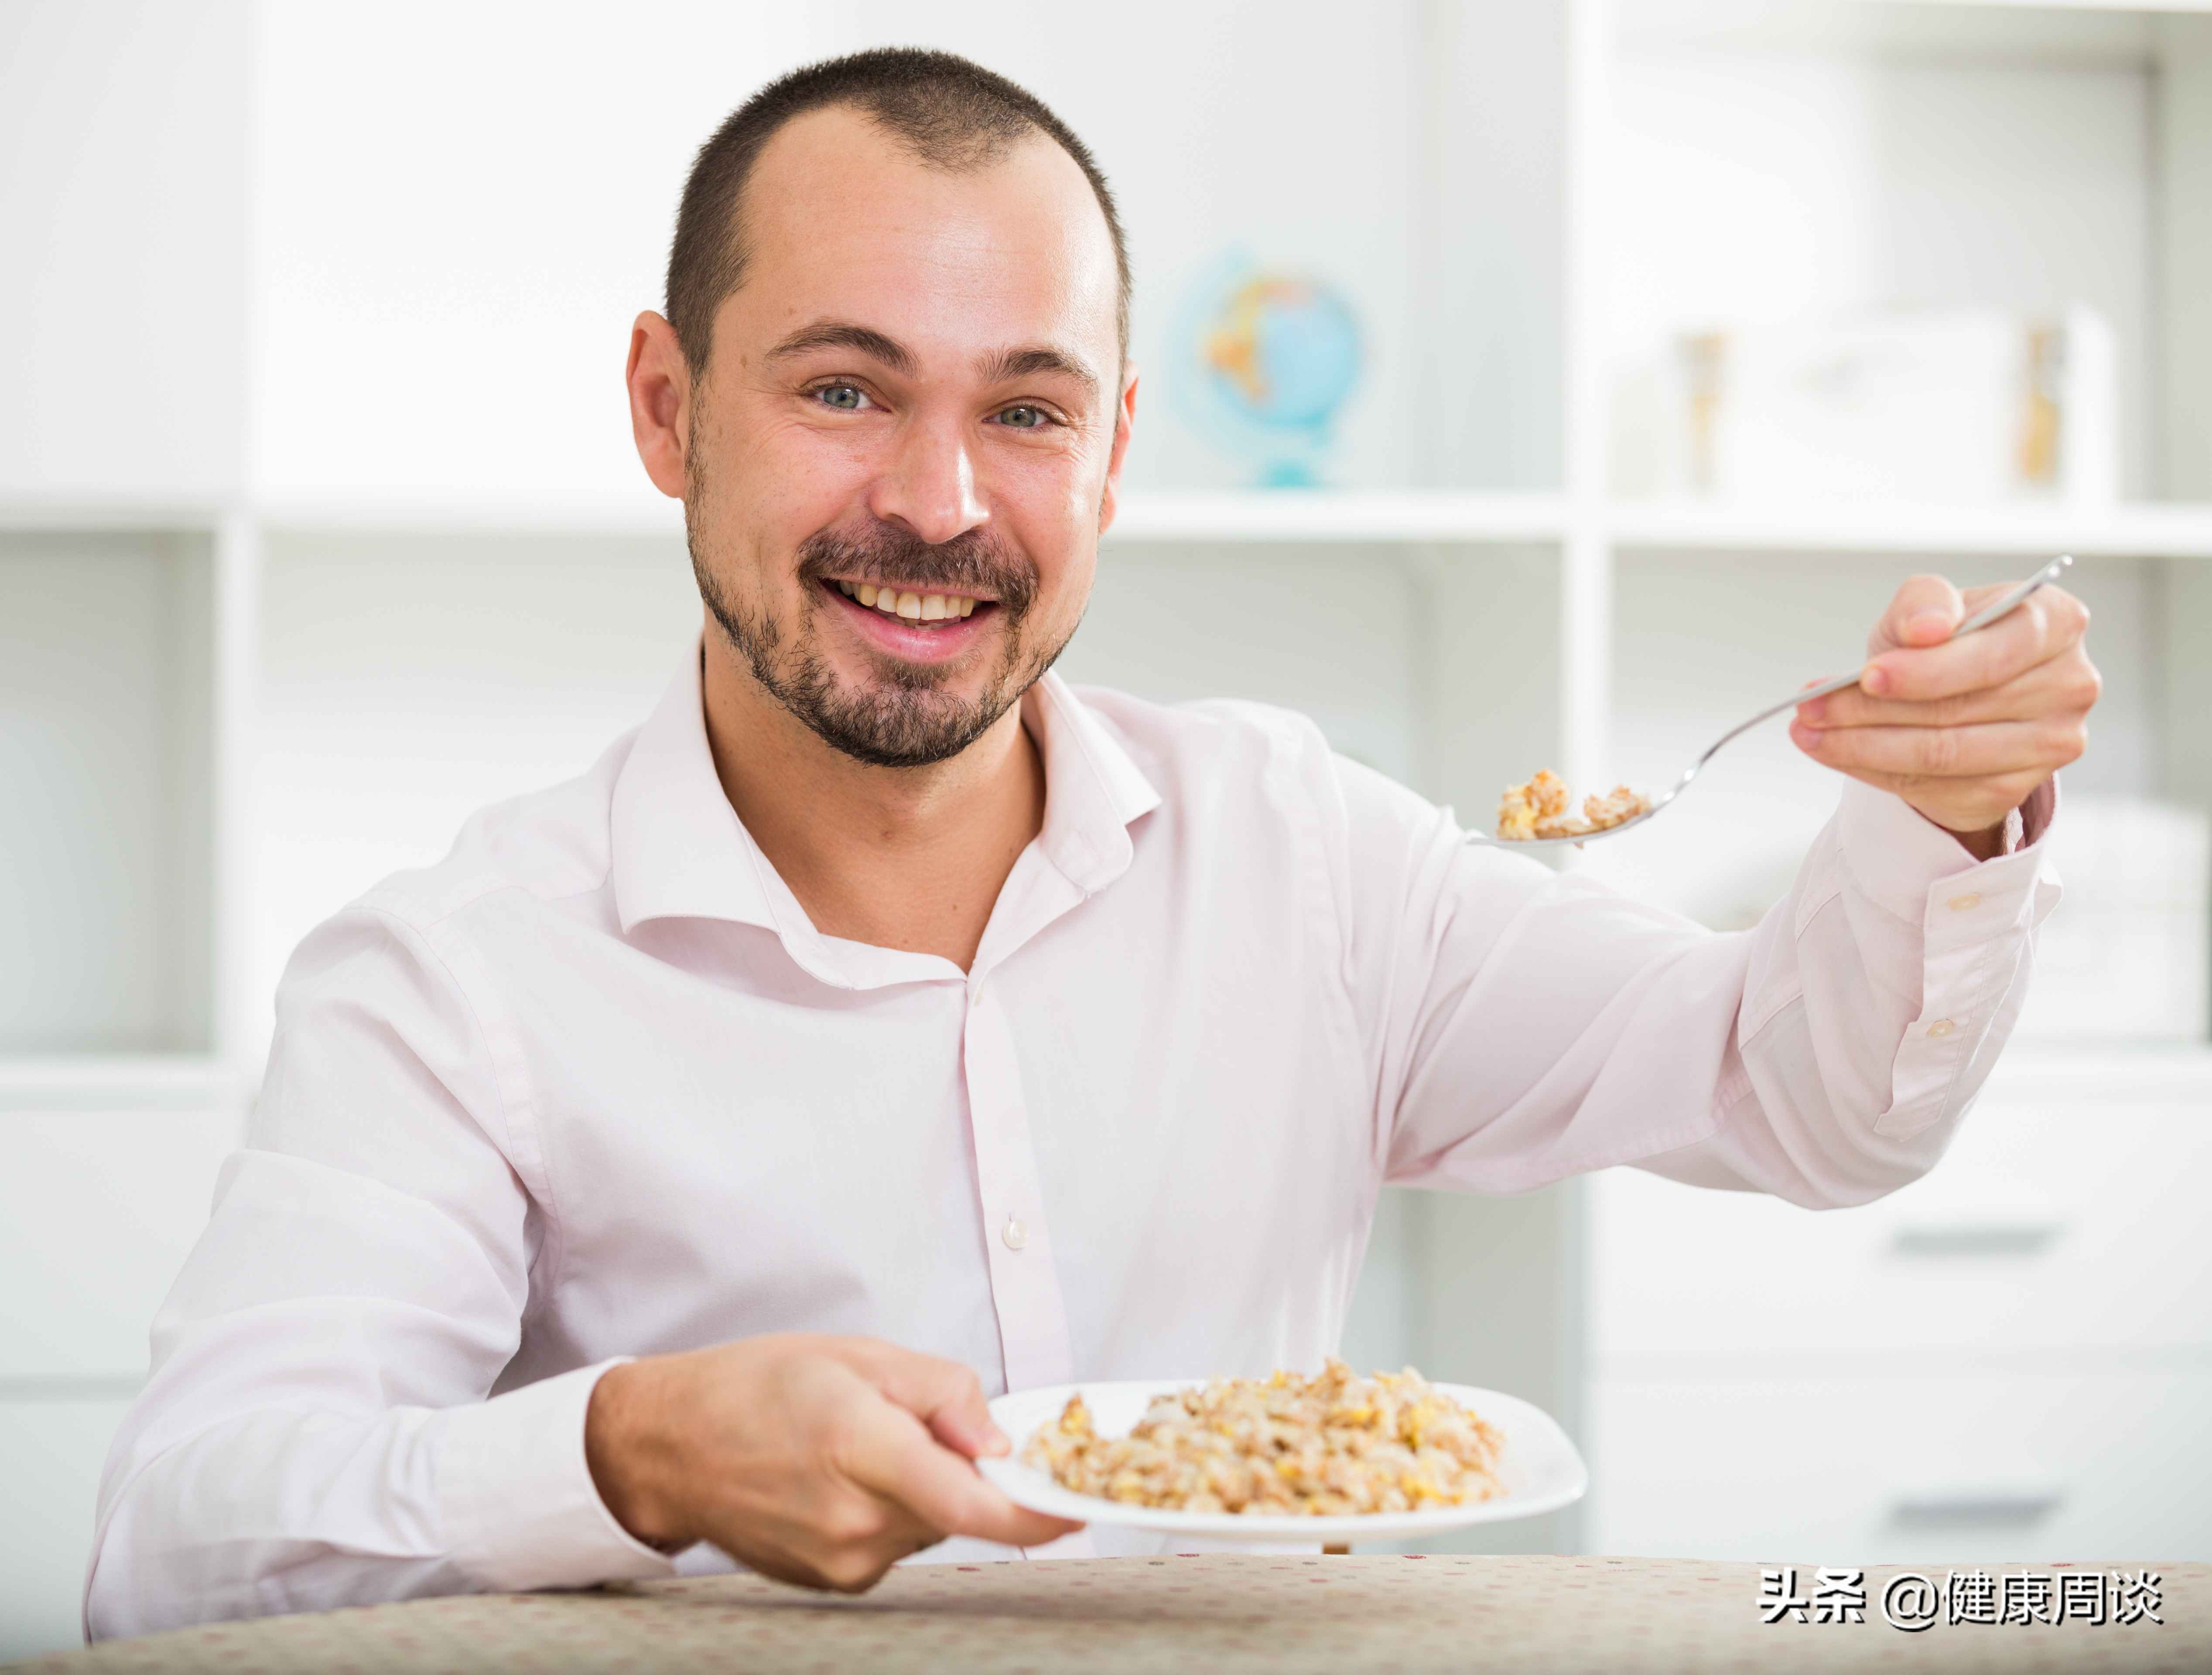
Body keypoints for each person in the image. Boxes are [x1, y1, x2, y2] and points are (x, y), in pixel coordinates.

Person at [85, 48, 2095, 1637]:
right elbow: (179, 1557)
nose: (939, 502)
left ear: (1119, 449)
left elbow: (1805, 1101)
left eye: (1027, 413)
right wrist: (624, 1457)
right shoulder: (452, 982)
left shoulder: (1299, 852)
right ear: (664, 406)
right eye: (845, 387)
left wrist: (1936, 816)